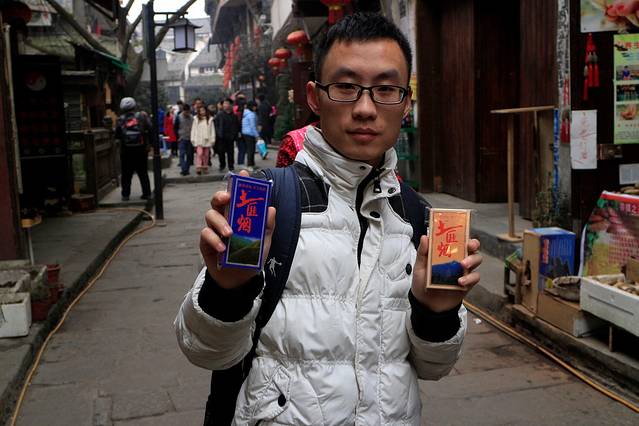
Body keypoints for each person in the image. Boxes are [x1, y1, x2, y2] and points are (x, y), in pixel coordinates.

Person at [175, 13, 482, 425]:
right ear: (314, 97)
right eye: (346, 87)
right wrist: (227, 290)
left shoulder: (418, 218)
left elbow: (434, 367)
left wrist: (436, 312)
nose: (366, 109)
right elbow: (206, 351)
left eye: (386, 89)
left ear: (406, 103)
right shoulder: (266, 204)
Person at [115, 97, 151, 201]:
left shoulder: (120, 119)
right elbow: (150, 128)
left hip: (126, 151)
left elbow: (117, 135)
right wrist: (150, 144)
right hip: (141, 150)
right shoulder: (141, 117)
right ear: (134, 106)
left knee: (126, 173)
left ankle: (125, 195)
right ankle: (146, 193)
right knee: (143, 172)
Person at [191, 106, 215, 175]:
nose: (202, 112)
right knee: (199, 153)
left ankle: (205, 167)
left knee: (206, 154)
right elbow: (193, 129)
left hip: (207, 139)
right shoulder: (196, 119)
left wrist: (213, 139)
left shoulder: (210, 119)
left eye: (203, 110)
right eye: (200, 111)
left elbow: (212, 130)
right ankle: (198, 167)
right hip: (198, 139)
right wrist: (192, 138)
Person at [175, 103, 194, 176]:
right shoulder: (178, 117)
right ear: (183, 111)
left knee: (189, 155)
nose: (187, 114)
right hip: (181, 138)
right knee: (182, 154)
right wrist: (178, 137)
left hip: (190, 138)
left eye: (188, 112)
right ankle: (184, 169)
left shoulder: (192, 117)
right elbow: (175, 128)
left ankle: (187, 169)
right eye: (186, 112)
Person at [241, 100, 260, 171]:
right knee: (251, 150)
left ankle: (252, 164)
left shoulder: (245, 113)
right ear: (252, 107)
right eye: (255, 106)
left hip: (245, 133)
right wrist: (257, 135)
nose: (255, 108)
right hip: (250, 134)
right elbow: (253, 126)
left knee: (251, 149)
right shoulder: (251, 114)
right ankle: (250, 165)